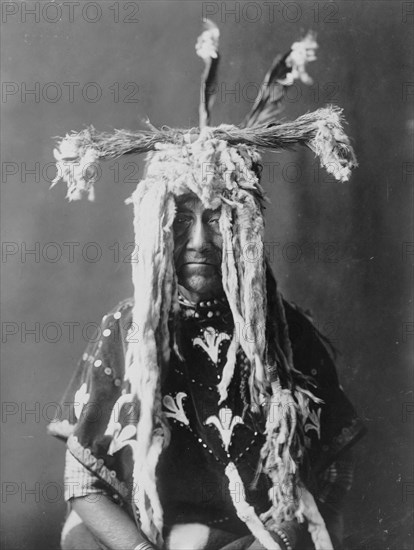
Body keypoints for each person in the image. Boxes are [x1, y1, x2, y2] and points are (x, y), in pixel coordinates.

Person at [48, 22, 364, 550]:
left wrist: (272, 539)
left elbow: (334, 468)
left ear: (249, 229)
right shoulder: (125, 333)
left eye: (219, 218)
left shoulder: (288, 338)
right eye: (180, 218)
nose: (198, 241)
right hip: (142, 533)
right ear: (154, 229)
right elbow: (84, 484)